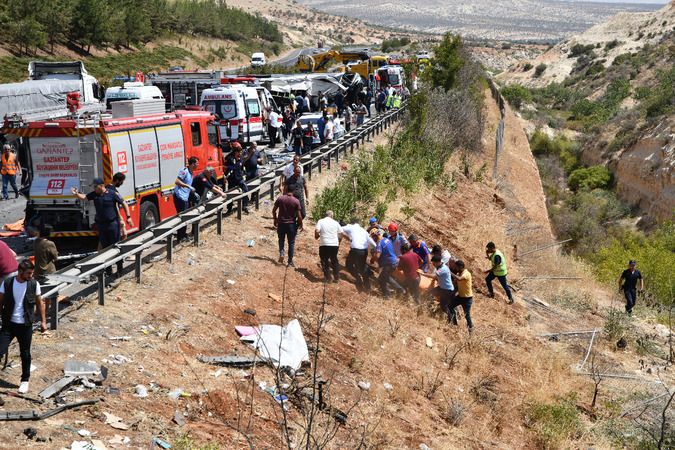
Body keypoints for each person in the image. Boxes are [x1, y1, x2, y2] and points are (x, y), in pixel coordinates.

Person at [0, 260, 47, 394]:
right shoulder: (8, 283)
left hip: (25, 325)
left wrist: (43, 322)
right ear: (20, 272)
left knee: (25, 353)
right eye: (28, 273)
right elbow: (0, 301)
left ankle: (24, 381)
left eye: (32, 273)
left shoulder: (33, 284)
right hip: (8, 324)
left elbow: (40, 303)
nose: (31, 275)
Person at [71, 178, 132, 249]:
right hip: (102, 225)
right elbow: (84, 197)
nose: (94, 188)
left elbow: (124, 203)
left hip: (112, 224)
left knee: (115, 244)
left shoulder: (112, 193)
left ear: (101, 186)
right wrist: (76, 194)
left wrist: (128, 217)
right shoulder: (94, 194)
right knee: (105, 245)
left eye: (95, 187)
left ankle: (119, 260)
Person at [341, 218, 376, 290]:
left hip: (355, 250)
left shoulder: (350, 227)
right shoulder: (363, 230)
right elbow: (372, 243)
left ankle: (358, 279)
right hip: (364, 251)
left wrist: (346, 237)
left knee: (349, 265)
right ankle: (367, 286)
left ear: (352, 223)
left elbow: (339, 229)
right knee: (362, 267)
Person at [273, 189, 303, 267]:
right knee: (291, 243)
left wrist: (275, 219)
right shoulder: (296, 201)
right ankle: (290, 261)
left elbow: (273, 210)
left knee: (281, 239)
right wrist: (301, 224)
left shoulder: (280, 198)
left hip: (281, 223)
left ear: (286, 190)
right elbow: (299, 216)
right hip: (291, 225)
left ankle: (282, 253)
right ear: (293, 192)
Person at [172, 156, 199, 242]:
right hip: (179, 197)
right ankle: (180, 237)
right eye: (197, 163)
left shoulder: (191, 172)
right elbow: (177, 181)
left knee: (185, 217)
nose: (198, 165)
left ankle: (183, 235)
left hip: (185, 197)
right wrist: (188, 186)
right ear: (193, 164)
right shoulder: (185, 171)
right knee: (182, 217)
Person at [371, 229, 404, 298]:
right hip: (394, 261)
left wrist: (372, 260)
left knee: (381, 279)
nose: (373, 238)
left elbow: (377, 255)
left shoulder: (380, 243)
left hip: (389, 263)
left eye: (374, 236)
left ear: (377, 235)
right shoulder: (387, 240)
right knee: (386, 277)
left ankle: (388, 294)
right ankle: (396, 290)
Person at [314, 211, 343, 283]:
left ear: (325, 215)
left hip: (324, 244)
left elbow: (317, 230)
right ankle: (337, 278)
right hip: (334, 245)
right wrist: (338, 242)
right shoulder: (336, 222)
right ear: (332, 216)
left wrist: (316, 236)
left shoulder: (321, 221)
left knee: (324, 260)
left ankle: (328, 278)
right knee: (334, 260)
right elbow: (341, 233)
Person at [427, 255, 455, 323]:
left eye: (433, 263)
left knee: (444, 306)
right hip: (442, 288)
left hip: (447, 290)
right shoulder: (441, 265)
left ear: (437, 262)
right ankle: (430, 310)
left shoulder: (443, 269)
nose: (433, 265)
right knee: (429, 294)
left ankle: (450, 321)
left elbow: (434, 276)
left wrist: (423, 274)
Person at [225, 143, 250, 214]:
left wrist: (244, 174)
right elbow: (225, 167)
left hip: (240, 178)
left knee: (245, 189)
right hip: (232, 179)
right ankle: (229, 208)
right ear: (235, 152)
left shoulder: (241, 158)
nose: (240, 153)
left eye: (241, 152)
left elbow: (242, 167)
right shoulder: (229, 158)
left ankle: (244, 206)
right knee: (230, 194)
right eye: (239, 152)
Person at [107, 172, 133, 238]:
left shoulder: (106, 187)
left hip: (108, 217)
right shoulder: (113, 191)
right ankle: (123, 248)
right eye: (121, 182)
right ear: (117, 180)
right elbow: (117, 205)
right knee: (124, 234)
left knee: (104, 238)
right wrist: (121, 218)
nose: (122, 184)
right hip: (115, 216)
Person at [450, 260, 474, 331]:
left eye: (456, 267)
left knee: (467, 315)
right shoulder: (459, 273)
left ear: (461, 267)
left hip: (467, 298)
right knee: (450, 306)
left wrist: (449, 272)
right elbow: (456, 284)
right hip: (460, 296)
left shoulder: (466, 274)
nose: (455, 269)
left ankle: (471, 329)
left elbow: (459, 279)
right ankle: (454, 324)